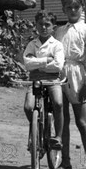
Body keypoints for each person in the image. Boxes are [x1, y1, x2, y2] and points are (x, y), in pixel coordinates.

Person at [52, 0, 86, 169]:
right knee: (62, 121)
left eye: (76, 7)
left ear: (82, 8)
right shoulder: (59, 31)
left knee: (81, 121)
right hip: (60, 74)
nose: (72, 10)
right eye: (69, 7)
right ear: (63, 9)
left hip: (78, 75)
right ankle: (65, 162)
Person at [22, 10, 65, 155]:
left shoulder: (57, 45)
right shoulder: (32, 44)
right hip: (35, 80)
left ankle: (58, 137)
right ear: (36, 26)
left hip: (52, 80)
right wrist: (47, 60)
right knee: (28, 107)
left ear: (53, 27)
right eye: (41, 24)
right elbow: (27, 64)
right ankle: (34, 130)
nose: (44, 27)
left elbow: (58, 66)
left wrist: (37, 63)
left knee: (58, 103)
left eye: (47, 25)